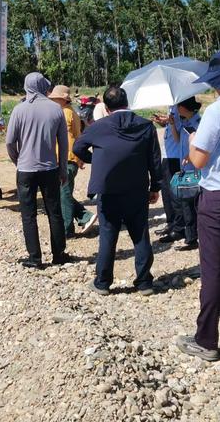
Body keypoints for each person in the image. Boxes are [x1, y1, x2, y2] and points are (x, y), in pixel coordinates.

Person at [73, 86, 163, 296]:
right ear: (127, 102)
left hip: (108, 188)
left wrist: (97, 159)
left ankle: (103, 283)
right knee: (140, 234)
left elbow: (78, 148)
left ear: (105, 106)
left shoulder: (99, 126)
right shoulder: (145, 125)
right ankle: (144, 283)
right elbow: (154, 159)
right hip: (137, 188)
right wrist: (155, 186)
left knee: (108, 235)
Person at [176, 51, 220, 362]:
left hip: (217, 197)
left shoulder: (217, 112)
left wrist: (193, 139)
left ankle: (205, 340)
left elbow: (199, 160)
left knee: (214, 269)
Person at [6, 72, 71, 269]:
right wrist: (63, 170)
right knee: (54, 212)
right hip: (50, 169)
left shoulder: (19, 110)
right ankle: (58, 254)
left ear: (27, 87)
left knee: (29, 214)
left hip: (25, 170)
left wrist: (18, 160)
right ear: (44, 86)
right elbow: (63, 142)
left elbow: (10, 142)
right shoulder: (56, 109)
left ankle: (35, 258)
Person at [48, 85, 97, 238]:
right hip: (61, 159)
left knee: (64, 194)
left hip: (67, 160)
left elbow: (78, 137)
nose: (53, 100)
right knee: (63, 193)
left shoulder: (68, 114)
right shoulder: (63, 112)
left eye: (55, 98)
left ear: (63, 99)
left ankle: (67, 230)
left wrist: (78, 157)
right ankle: (84, 216)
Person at [159, 97, 201, 251]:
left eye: (178, 107)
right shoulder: (184, 122)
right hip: (185, 167)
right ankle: (190, 236)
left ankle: (192, 238)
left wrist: (190, 155)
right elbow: (177, 140)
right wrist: (171, 123)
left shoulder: (197, 123)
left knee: (190, 202)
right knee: (185, 201)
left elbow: (201, 145)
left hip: (193, 168)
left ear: (183, 107)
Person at [151, 106, 185, 243]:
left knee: (175, 195)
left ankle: (179, 228)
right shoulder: (172, 106)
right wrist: (164, 122)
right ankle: (171, 224)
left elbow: (180, 130)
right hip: (167, 155)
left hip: (176, 156)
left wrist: (170, 122)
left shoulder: (181, 106)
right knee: (166, 193)